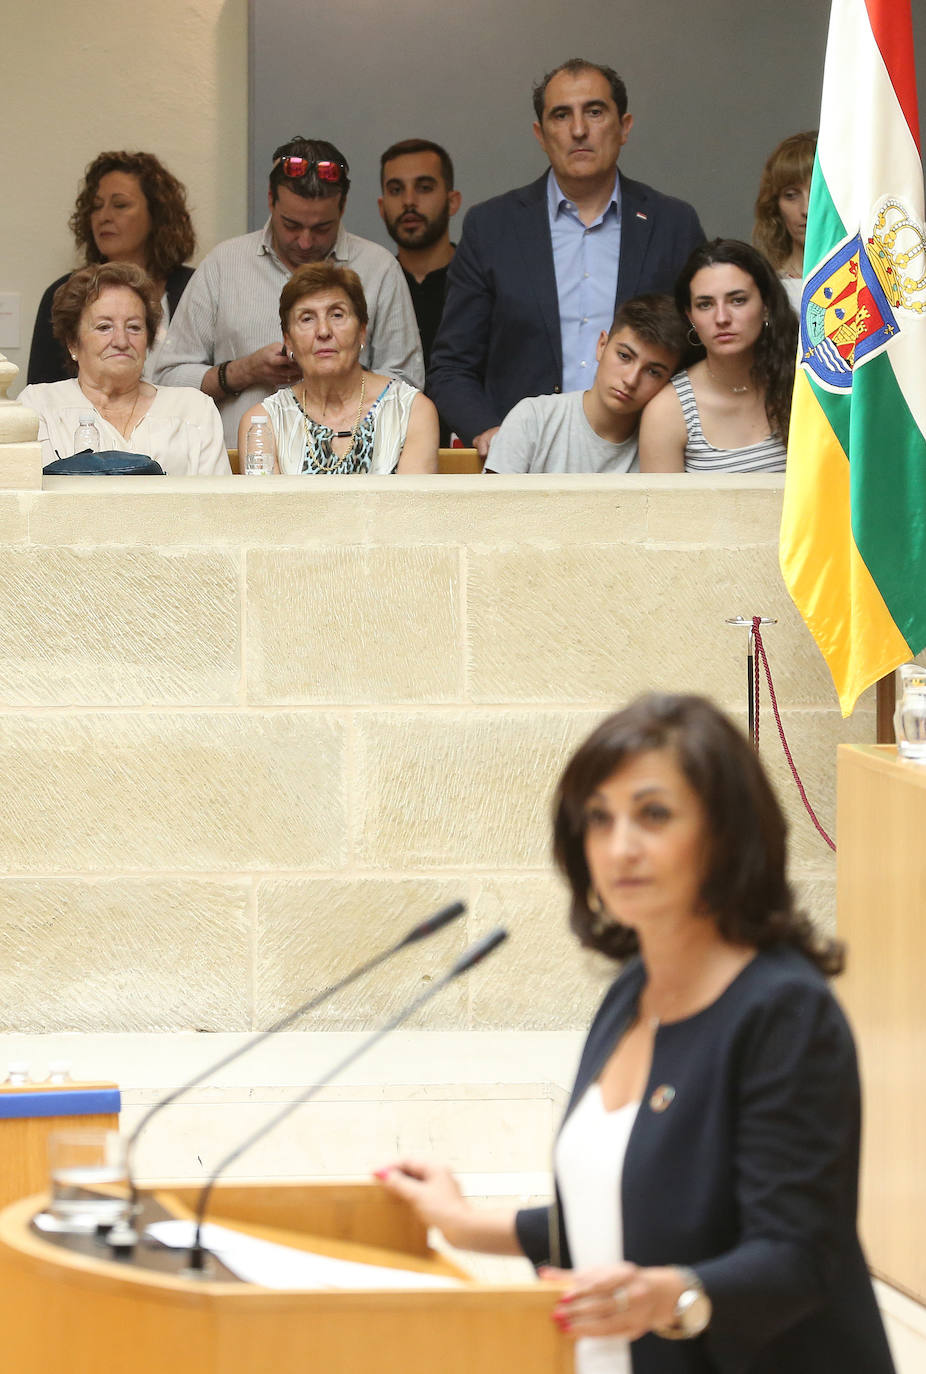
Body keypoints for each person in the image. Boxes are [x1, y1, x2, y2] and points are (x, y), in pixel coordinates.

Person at [376, 693, 896, 1374]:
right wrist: (466, 1223)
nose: (620, 847)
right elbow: (620, 1202)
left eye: (653, 814)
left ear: (726, 832)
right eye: (599, 819)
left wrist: (673, 1296)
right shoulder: (631, 992)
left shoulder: (783, 1013)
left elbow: (798, 1256)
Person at [427, 58, 705, 458]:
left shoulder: (672, 223)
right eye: (561, 115)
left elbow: (700, 356)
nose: (578, 130)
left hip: (645, 456)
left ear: (624, 126)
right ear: (541, 134)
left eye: (594, 111)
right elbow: (452, 366)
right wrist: (490, 431)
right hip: (526, 459)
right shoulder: (492, 227)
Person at [155, 136, 424, 446]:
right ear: (270, 199)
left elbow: (408, 388)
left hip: (351, 475)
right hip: (239, 475)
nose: (306, 242)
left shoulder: (379, 268)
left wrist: (337, 370)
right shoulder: (223, 264)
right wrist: (244, 371)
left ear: (344, 206)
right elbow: (166, 383)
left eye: (323, 228)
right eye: (291, 225)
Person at [20, 263, 229, 476]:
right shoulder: (38, 406)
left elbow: (220, 504)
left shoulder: (193, 409)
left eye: (134, 327)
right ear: (73, 342)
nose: (121, 341)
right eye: (104, 327)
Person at [235, 263, 438, 475]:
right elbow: (266, 508)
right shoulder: (262, 423)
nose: (323, 331)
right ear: (289, 340)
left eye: (337, 315)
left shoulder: (411, 410)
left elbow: (412, 506)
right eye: (307, 318)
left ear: (362, 331)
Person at [27, 151, 197, 385]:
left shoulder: (194, 287)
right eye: (96, 206)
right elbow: (42, 390)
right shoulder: (65, 293)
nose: (104, 216)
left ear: (157, 215)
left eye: (120, 205)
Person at [639, 240, 796, 473]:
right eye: (705, 304)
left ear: (766, 306)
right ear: (690, 316)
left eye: (737, 300)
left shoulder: (802, 383)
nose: (722, 317)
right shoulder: (668, 411)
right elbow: (662, 510)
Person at [485, 295, 685, 474]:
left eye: (653, 372)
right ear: (601, 346)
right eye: (624, 356)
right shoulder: (533, 418)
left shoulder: (664, 443)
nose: (631, 380)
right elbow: (491, 510)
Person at [379, 138, 461, 445]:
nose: (409, 202)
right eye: (396, 190)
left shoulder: (479, 283)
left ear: (453, 201)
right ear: (381, 205)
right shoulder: (369, 287)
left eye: (424, 187)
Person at [753, 131, 817, 311]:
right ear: (775, 205)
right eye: (791, 196)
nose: (806, 209)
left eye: (818, 195)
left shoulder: (868, 282)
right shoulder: (764, 290)